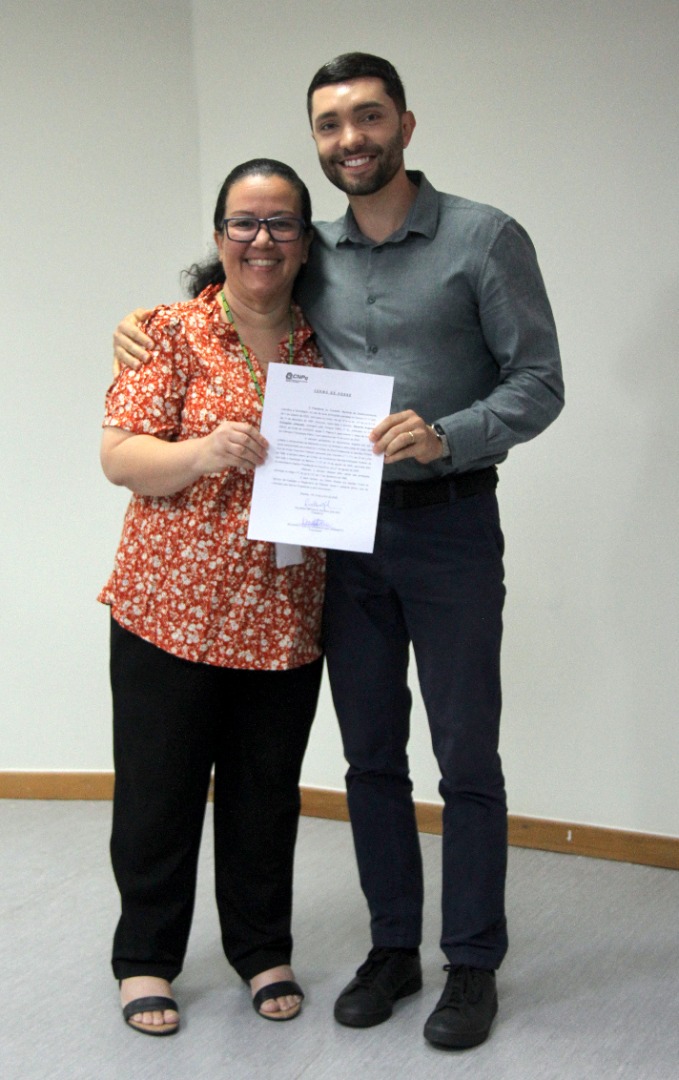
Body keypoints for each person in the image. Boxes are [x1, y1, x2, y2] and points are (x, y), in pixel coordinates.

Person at [113, 53, 564, 1050]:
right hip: (340, 538)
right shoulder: (309, 245)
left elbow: (538, 381)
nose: (350, 138)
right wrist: (139, 324)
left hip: (448, 524)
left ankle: (471, 963)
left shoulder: (483, 238)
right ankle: (392, 948)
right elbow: (233, 287)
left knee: (465, 756)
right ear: (317, 140)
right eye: (329, 124)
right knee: (368, 756)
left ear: (405, 123)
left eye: (367, 117)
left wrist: (447, 433)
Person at [100, 158, 325, 1036]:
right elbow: (120, 456)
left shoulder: (326, 343)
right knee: (157, 795)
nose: (261, 240)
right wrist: (202, 453)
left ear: (305, 240)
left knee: (266, 796)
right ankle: (144, 957)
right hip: (171, 609)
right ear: (220, 235)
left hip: (283, 615)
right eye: (244, 222)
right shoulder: (167, 332)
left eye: (281, 223)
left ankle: (261, 947)